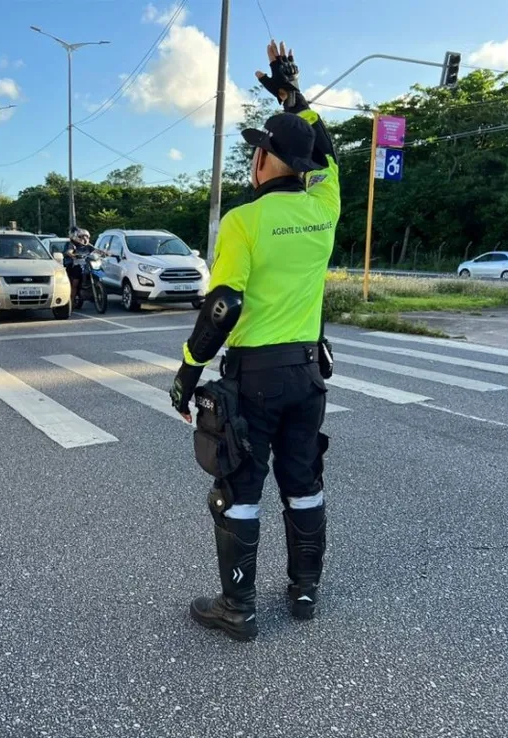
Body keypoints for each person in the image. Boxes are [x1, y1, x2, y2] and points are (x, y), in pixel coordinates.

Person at [169, 40, 340, 641]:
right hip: (308, 376)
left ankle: (237, 608)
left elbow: (225, 305)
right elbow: (325, 149)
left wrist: (188, 369)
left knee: (238, 488)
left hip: (256, 380)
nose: (253, 160)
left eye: (258, 150)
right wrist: (294, 93)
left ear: (266, 160)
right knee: (303, 481)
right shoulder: (326, 206)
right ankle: (303, 590)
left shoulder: (243, 221)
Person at [63, 228, 92, 307]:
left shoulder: (87, 245)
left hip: (85, 266)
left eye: (85, 237)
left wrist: (105, 252)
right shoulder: (71, 244)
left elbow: (96, 250)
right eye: (81, 237)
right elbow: (69, 252)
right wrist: (73, 255)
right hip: (73, 265)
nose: (84, 239)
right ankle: (71, 302)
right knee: (74, 284)